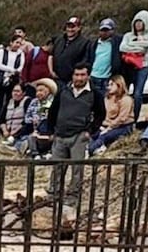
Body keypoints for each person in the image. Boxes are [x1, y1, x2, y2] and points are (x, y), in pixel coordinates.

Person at [46, 62, 105, 198]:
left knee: (77, 168)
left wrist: (90, 131)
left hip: (79, 135)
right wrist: (50, 131)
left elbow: (100, 115)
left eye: (82, 75)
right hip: (60, 134)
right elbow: (53, 111)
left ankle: (73, 194)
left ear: (88, 76)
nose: (79, 78)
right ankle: (54, 193)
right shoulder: (63, 91)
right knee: (57, 167)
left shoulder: (95, 94)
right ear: (72, 75)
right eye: (76, 75)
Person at [120, 10, 148, 122]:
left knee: (137, 94)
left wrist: (131, 46)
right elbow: (122, 48)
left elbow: (147, 45)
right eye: (136, 22)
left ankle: (135, 118)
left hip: (143, 67)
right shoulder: (128, 35)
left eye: (141, 22)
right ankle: (123, 117)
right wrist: (138, 46)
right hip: (128, 66)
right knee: (124, 92)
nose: (138, 24)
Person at [88, 75, 134, 156]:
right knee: (93, 134)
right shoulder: (107, 98)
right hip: (106, 125)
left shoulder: (126, 99)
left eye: (111, 85)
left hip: (122, 126)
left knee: (103, 136)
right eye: (108, 85)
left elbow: (122, 118)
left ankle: (90, 150)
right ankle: (95, 148)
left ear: (119, 85)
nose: (108, 87)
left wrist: (109, 128)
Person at [50, 17, 92, 89]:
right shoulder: (59, 40)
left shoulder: (85, 43)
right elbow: (51, 56)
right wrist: (51, 71)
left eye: (73, 27)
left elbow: (85, 61)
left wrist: (75, 75)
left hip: (71, 81)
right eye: (68, 27)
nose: (70, 29)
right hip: (56, 79)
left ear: (79, 28)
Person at [86, 18, 123, 99]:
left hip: (107, 78)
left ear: (112, 31)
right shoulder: (93, 44)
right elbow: (88, 59)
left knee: (106, 102)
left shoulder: (117, 43)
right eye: (102, 30)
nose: (104, 32)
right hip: (93, 77)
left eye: (107, 30)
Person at [0, 35, 25, 123]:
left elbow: (21, 67)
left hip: (13, 80)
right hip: (0, 80)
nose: (18, 45)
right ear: (11, 42)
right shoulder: (2, 51)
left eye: (20, 43)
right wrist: (11, 69)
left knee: (10, 101)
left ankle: (5, 120)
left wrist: (15, 72)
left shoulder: (20, 53)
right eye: (17, 42)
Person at [22, 78, 58, 159]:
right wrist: (33, 120)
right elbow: (27, 117)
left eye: (41, 90)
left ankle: (50, 152)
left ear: (48, 91)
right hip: (34, 128)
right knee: (30, 137)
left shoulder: (52, 102)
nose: (38, 93)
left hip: (50, 129)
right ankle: (35, 154)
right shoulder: (34, 101)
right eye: (37, 91)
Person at [0, 83, 31, 147]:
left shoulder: (27, 101)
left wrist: (14, 132)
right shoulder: (9, 102)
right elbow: (1, 119)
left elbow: (27, 120)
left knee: (27, 128)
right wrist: (5, 131)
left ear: (23, 93)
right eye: (14, 91)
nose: (15, 93)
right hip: (7, 130)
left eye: (18, 91)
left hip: (20, 130)